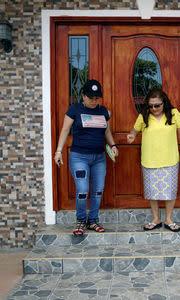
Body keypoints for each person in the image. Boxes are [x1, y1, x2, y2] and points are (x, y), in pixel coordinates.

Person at [54, 79, 118, 236]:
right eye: (90, 98)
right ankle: (81, 220)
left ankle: (93, 221)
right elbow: (64, 130)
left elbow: (107, 132)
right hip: (79, 157)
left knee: (98, 190)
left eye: (97, 98)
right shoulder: (74, 109)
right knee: (83, 189)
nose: (94, 101)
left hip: (99, 158)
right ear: (83, 95)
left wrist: (113, 146)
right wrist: (58, 151)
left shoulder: (103, 111)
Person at [126, 88, 180, 232]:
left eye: (157, 105)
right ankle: (156, 219)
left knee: (170, 191)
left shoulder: (173, 114)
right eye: (151, 105)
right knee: (152, 191)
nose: (154, 108)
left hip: (170, 158)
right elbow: (134, 131)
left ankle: (168, 219)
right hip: (149, 159)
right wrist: (131, 136)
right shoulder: (144, 116)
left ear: (164, 103)